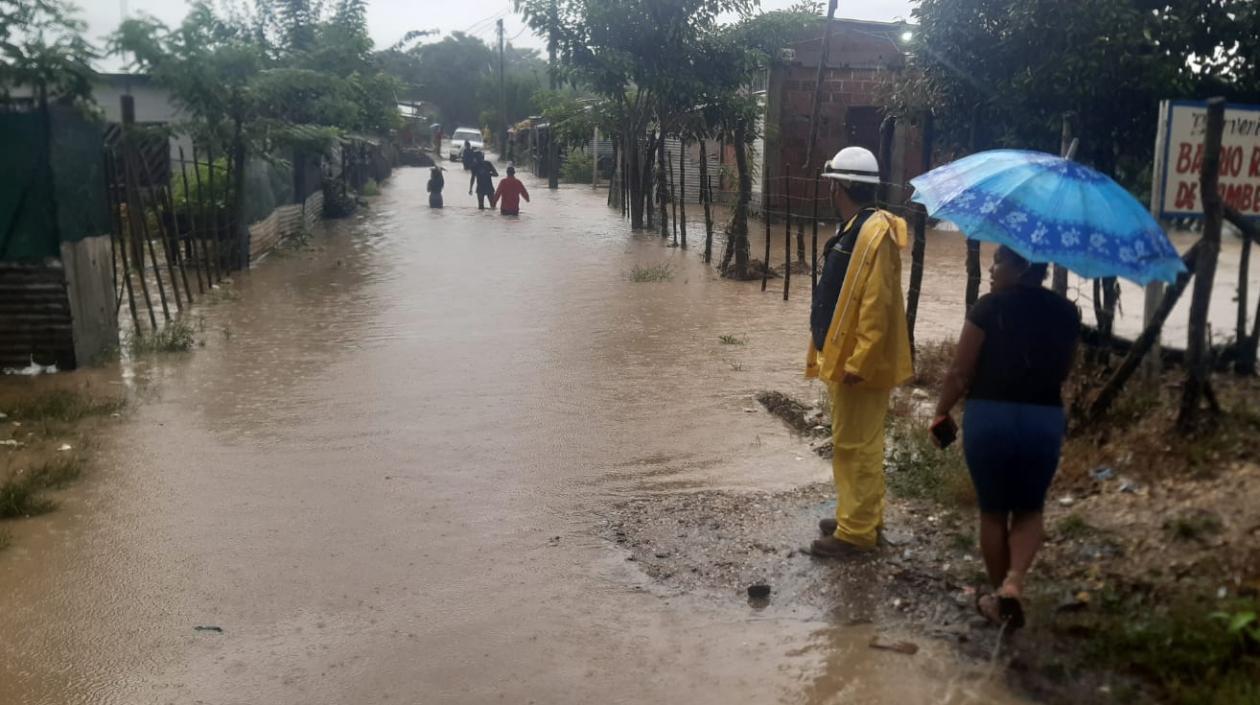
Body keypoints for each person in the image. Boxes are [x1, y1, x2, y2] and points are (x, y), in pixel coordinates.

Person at [931, 245, 1081, 629]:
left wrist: (941, 411)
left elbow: (959, 374)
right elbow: (1064, 370)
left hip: (990, 418)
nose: (992, 269)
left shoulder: (987, 308)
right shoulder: (1066, 312)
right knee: (1030, 509)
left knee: (993, 512)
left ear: (1022, 266)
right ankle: (1014, 584)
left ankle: (1001, 600)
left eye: (999, 262)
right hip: (1043, 420)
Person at [806, 147, 914, 558]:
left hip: (858, 364)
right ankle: (858, 515)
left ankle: (856, 534)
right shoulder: (857, 227)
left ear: (843, 185)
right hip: (846, 357)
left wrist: (860, 361)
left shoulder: (873, 233)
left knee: (859, 445)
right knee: (851, 441)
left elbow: (877, 303)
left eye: (833, 181)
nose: (830, 188)